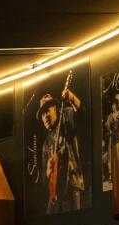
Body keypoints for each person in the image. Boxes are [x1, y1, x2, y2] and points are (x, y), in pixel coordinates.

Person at [37, 83, 86, 213]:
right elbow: (43, 180)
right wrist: (48, 171)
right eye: (42, 114)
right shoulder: (45, 144)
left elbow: (81, 113)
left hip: (71, 185)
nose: (45, 115)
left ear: (55, 109)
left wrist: (71, 98)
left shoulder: (65, 117)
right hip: (55, 191)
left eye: (48, 110)